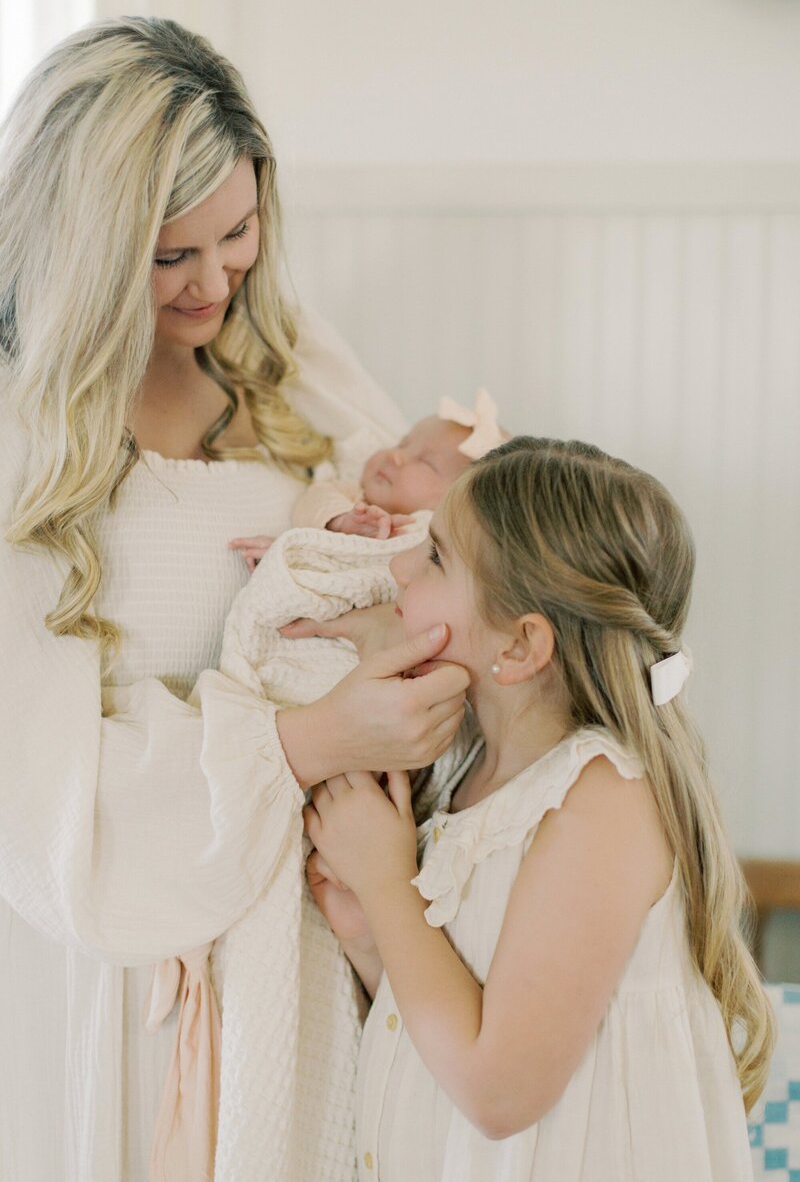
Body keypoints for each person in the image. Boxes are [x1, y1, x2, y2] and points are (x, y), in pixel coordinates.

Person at [0, 17, 470, 1182]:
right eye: (171, 258)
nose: (217, 280)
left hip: (302, 935)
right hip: (107, 971)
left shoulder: (292, 364)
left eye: (241, 232)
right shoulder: (29, 442)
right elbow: (39, 787)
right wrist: (309, 739)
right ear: (86, 250)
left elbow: (441, 561)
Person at [305, 436, 775, 1182]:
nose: (397, 569)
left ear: (521, 645)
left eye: (433, 558)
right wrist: (372, 937)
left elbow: (500, 1089)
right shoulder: (470, 774)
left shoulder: (603, 800)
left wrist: (388, 884)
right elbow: (460, 1009)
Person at [229, 389, 506, 570]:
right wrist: (340, 522)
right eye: (403, 443)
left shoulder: (443, 541)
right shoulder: (354, 496)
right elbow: (315, 500)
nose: (396, 456)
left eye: (425, 461)